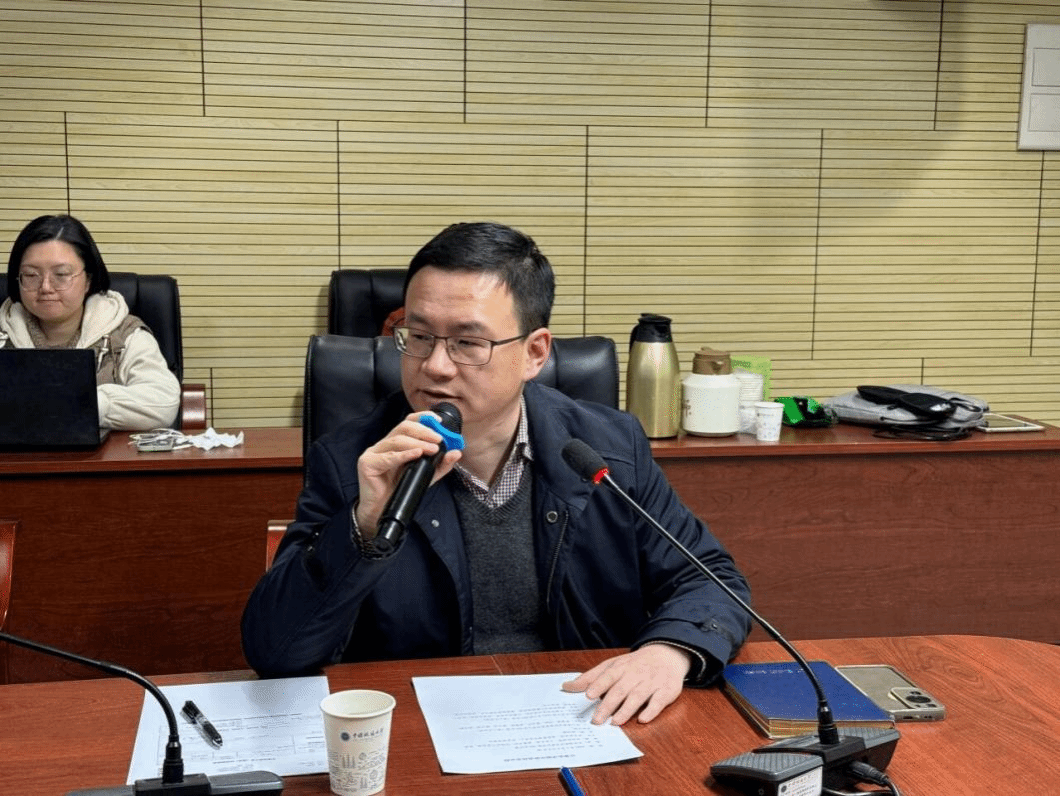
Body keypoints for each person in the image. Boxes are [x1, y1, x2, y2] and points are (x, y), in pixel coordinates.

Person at [241, 221, 752, 725]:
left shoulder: (607, 448)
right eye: (418, 336)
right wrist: (364, 527)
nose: (435, 366)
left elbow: (711, 580)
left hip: (583, 717)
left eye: (467, 343)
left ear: (535, 353)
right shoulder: (354, 461)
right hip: (417, 728)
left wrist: (668, 651)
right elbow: (275, 651)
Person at [1, 214, 180, 430]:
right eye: (31, 275)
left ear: (88, 280)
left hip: (102, 452)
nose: (45, 287)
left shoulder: (124, 333)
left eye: (61, 274)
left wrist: (84, 403)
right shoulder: (3, 332)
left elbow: (163, 402)